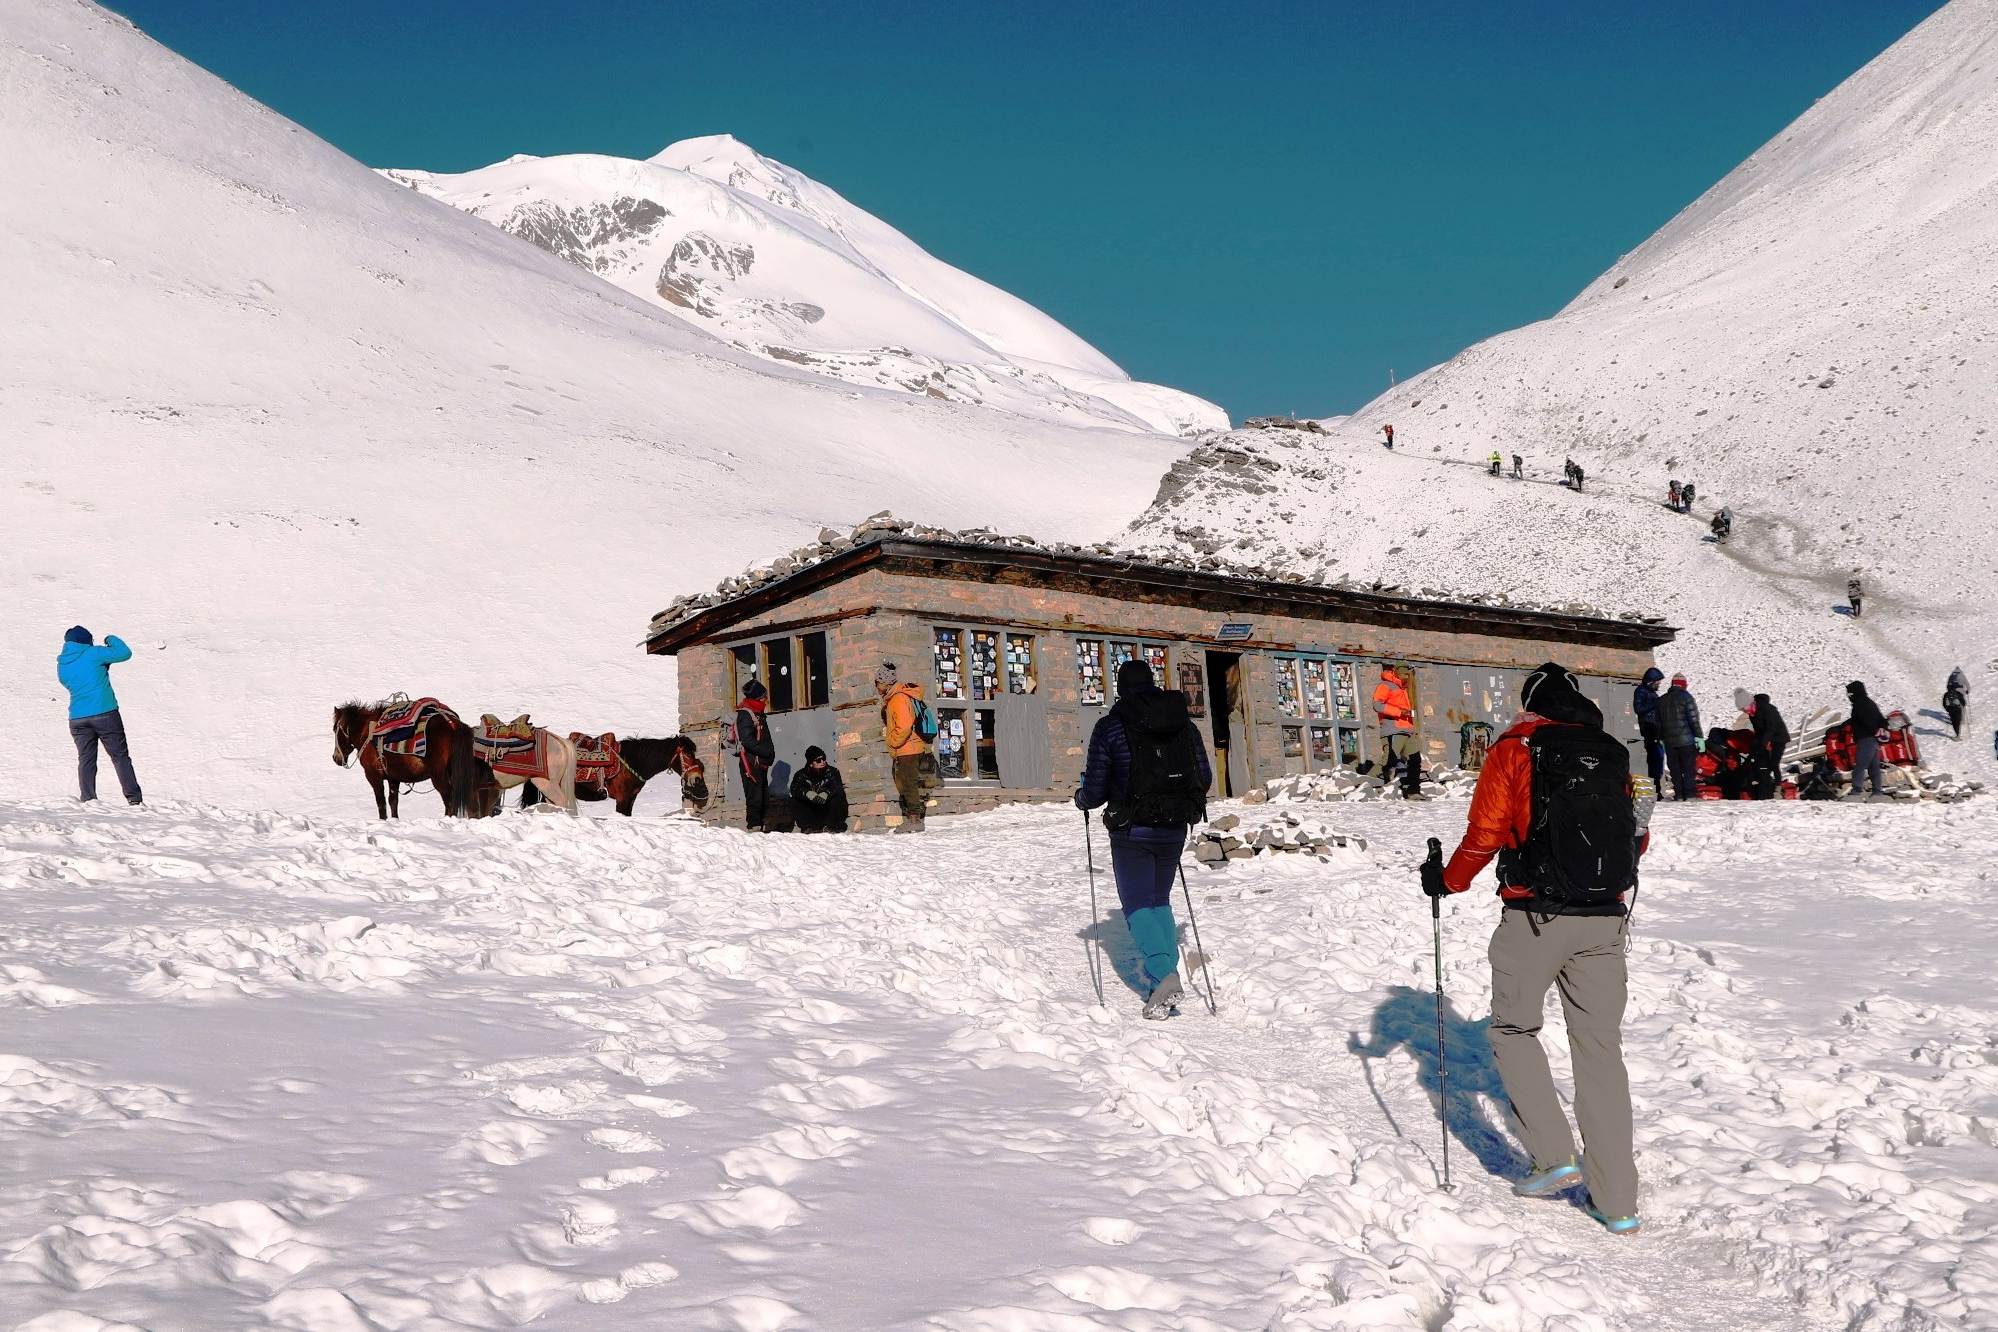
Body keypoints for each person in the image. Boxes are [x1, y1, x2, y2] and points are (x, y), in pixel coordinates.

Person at [1422, 661, 1647, 1234]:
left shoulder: (1518, 748)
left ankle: (1554, 1155)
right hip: (1605, 918)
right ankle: (1617, 1201)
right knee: (1600, 1051)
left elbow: (1486, 831)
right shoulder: (1613, 752)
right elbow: (1636, 835)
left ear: (1530, 704)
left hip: (1536, 915)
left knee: (1513, 1030)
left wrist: (1447, 881)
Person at [1075, 658, 1212, 1019]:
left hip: (1131, 829)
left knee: (1136, 903)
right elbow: (1204, 776)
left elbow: (1097, 787)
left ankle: (1164, 974)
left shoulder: (1111, 726)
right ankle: (1161, 983)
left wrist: (1081, 798)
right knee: (1159, 899)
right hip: (1174, 827)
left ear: (1120, 688)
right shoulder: (1184, 724)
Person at [58, 626, 144, 806]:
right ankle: (134, 799)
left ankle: (88, 800)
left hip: (77, 718)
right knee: (120, 756)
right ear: (86, 641)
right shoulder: (93, 653)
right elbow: (124, 653)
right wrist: (110, 638)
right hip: (104, 713)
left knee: (86, 759)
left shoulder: (63, 664)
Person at [876, 663, 936, 833]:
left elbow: (904, 726)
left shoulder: (898, 699)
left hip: (907, 748)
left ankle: (914, 820)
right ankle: (911, 819)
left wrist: (893, 742)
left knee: (908, 784)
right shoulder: (895, 697)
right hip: (907, 747)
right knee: (904, 783)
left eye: (877, 682)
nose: (876, 686)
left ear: (885, 683)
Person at [1372, 664, 1423, 797]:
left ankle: (1413, 790)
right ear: (1396, 673)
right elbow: (1377, 705)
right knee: (1389, 760)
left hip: (1407, 730)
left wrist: (1413, 728)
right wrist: (1400, 712)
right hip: (1393, 730)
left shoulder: (1402, 688)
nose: (1407, 677)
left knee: (1415, 759)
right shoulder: (1385, 685)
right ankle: (1365, 783)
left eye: (1408, 675)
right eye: (1404, 674)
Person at [732, 679, 775, 830]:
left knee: (763, 798)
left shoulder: (758, 713)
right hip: (750, 764)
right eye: (764, 696)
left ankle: (760, 828)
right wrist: (766, 752)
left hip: (759, 763)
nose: (766, 699)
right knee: (755, 799)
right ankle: (754, 828)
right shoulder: (746, 714)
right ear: (757, 698)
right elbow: (747, 740)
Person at [1656, 672, 1702, 800]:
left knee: (1675, 769)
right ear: (1684, 685)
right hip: (1687, 741)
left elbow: (1658, 722)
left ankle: (1679, 795)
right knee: (1688, 768)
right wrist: (1699, 737)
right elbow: (1693, 720)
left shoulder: (1661, 700)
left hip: (1669, 742)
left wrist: (1661, 738)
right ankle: (1690, 794)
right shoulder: (1687, 698)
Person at [1845, 680, 1889, 801]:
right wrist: (1881, 729)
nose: (1849, 697)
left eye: (1849, 694)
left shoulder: (1859, 704)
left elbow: (1864, 720)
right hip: (1874, 739)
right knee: (1873, 766)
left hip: (1865, 738)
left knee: (1860, 765)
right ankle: (1877, 792)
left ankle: (1856, 792)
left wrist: (1873, 730)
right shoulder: (1870, 703)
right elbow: (1881, 719)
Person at [788, 745, 848, 833]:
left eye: (824, 759)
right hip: (811, 812)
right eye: (818, 760)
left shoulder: (833, 772)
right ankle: (806, 828)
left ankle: (829, 826)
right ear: (811, 763)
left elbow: (837, 787)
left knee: (838, 797)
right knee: (793, 801)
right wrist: (807, 793)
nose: (822, 762)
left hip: (827, 812)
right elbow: (794, 789)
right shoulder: (801, 774)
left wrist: (826, 793)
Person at [1747, 692, 1790, 799]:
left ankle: (1777, 787)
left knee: (1774, 763)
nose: (1744, 710)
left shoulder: (1768, 709)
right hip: (1766, 738)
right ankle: (1764, 784)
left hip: (1779, 738)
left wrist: (1764, 743)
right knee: (1762, 764)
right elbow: (1758, 730)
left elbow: (1771, 728)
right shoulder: (1752, 713)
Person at [1632, 666, 1665, 791]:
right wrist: (1655, 704)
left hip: (1655, 728)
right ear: (1651, 681)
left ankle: (1657, 786)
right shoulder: (1641, 691)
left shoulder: (1652, 692)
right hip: (1649, 728)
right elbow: (1638, 709)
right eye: (1657, 681)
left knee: (1659, 758)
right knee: (1654, 759)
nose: (1659, 684)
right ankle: (1655, 786)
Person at [1944, 667, 1969, 739]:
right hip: (1961, 691)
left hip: (1952, 692)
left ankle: (1955, 719)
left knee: (1955, 705)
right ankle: (1962, 720)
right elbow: (1967, 684)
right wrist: (1967, 691)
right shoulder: (1962, 675)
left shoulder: (1951, 676)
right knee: (1962, 705)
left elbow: (1947, 685)